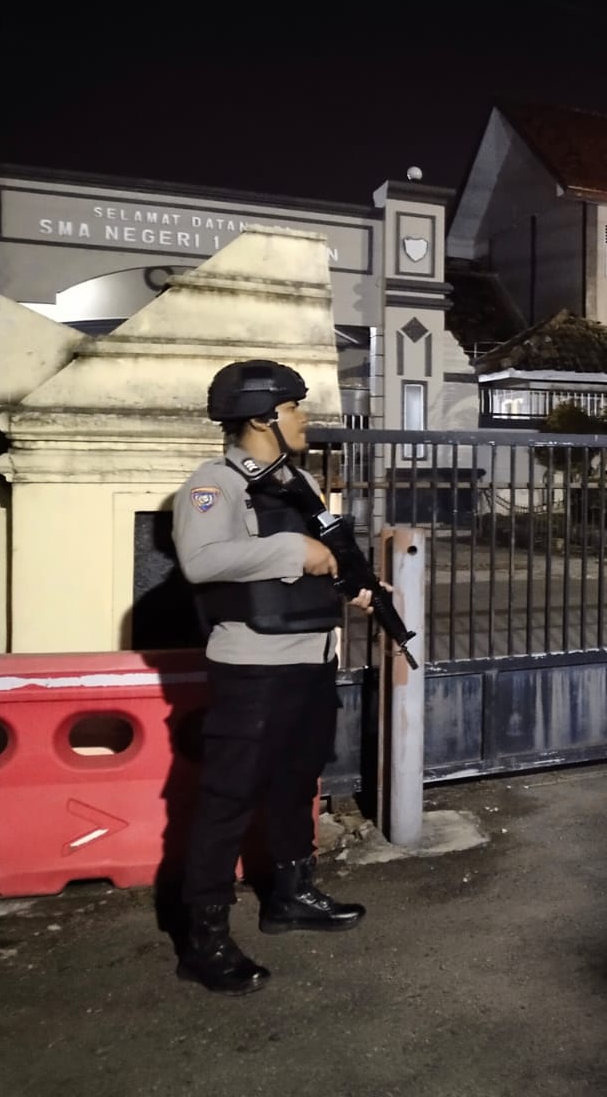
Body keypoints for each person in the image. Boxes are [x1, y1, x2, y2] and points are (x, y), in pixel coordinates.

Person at [171, 360, 370, 995]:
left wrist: (357, 585)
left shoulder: (297, 483)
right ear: (262, 418)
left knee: (295, 781)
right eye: (294, 408)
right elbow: (201, 561)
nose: (304, 418)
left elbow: (327, 558)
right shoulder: (214, 485)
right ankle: (203, 939)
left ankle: (291, 896)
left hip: (310, 658)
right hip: (253, 665)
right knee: (228, 797)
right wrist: (294, 551)